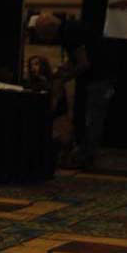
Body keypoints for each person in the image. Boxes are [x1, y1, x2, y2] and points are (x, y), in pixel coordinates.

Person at [30, 11, 113, 169]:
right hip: (99, 76)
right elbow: (77, 57)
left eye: (44, 34)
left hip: (100, 78)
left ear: (50, 29)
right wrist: (63, 70)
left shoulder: (69, 33)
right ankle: (83, 154)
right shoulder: (70, 29)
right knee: (90, 117)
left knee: (93, 118)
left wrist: (63, 79)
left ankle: (86, 157)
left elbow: (84, 63)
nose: (45, 39)